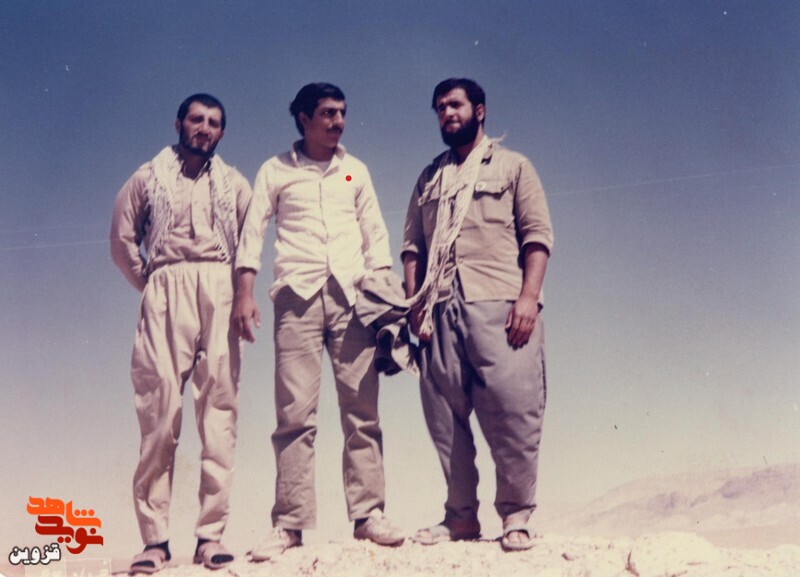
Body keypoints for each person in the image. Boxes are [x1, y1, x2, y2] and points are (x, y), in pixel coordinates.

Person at [233, 82, 404, 560]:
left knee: (362, 411)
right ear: (304, 118)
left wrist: (385, 298)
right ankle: (288, 524)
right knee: (294, 415)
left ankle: (369, 515)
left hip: (353, 297)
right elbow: (253, 232)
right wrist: (244, 293)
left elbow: (374, 232)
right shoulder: (275, 170)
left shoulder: (354, 171)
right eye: (328, 113)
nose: (338, 122)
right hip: (297, 298)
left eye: (342, 112)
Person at [401, 78, 554, 552]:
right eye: (440, 108)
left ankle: (516, 516)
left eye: (455, 105)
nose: (447, 113)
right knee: (444, 418)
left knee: (513, 412)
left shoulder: (513, 166)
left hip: (499, 305)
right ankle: (460, 517)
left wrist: (528, 298)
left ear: (480, 110)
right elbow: (413, 246)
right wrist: (415, 303)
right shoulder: (430, 178)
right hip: (438, 308)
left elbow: (537, 235)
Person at [110, 94, 252, 573]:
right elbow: (122, 239)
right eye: (196, 119)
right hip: (165, 285)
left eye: (213, 122)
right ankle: (154, 542)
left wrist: (240, 294)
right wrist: (151, 283)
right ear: (178, 123)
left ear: (221, 132)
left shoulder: (235, 184)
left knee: (219, 413)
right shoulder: (147, 178)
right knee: (159, 411)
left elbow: (250, 243)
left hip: (219, 287)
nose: (204, 128)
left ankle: (211, 537)